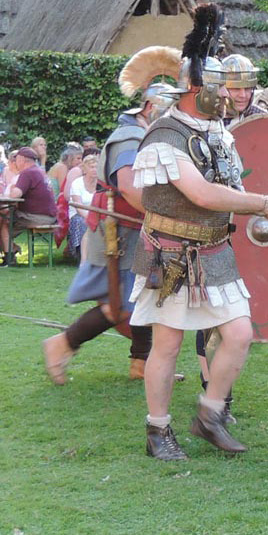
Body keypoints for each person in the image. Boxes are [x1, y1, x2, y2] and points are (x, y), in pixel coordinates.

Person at [129, 5, 268, 460]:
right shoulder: (164, 135)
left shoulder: (219, 133)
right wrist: (263, 202)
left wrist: (256, 203)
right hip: (167, 253)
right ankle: (157, 431)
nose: (227, 97)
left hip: (214, 251)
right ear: (195, 89)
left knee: (239, 333)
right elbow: (202, 193)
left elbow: (228, 187)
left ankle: (209, 414)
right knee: (167, 342)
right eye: (219, 89)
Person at [44, 48, 181, 385]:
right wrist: (170, 218)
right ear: (150, 108)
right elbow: (130, 188)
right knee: (120, 305)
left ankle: (141, 363)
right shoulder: (129, 138)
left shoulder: (145, 134)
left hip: (136, 231)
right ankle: (62, 343)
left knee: (147, 296)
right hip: (118, 235)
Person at [0, 147, 55, 265]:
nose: (15, 163)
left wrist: (12, 189)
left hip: (37, 217)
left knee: (5, 223)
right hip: (49, 215)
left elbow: (15, 195)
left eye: (16, 160)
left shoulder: (27, 173)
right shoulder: (39, 171)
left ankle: (8, 258)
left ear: (22, 160)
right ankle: (0, 246)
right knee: (4, 215)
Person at [65, 150, 98, 259]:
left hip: (97, 214)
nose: (94, 170)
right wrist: (90, 217)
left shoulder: (101, 184)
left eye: (96, 167)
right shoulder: (77, 183)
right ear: (85, 169)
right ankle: (82, 257)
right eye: (91, 167)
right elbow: (78, 206)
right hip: (79, 215)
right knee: (82, 222)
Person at [220, 53, 265, 124]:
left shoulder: (262, 119)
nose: (243, 95)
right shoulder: (205, 122)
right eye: (236, 89)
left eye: (247, 89)